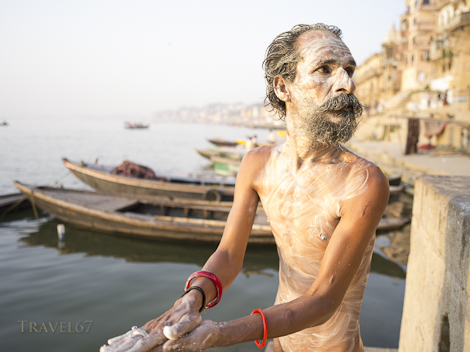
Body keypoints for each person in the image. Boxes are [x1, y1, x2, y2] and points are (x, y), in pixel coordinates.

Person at [101, 23, 390, 352]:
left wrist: (220, 332)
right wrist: (190, 300)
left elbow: (324, 299)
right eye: (324, 69)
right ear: (284, 87)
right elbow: (228, 254)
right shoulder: (258, 164)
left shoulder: (364, 182)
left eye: (349, 70)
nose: (347, 83)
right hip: (277, 345)